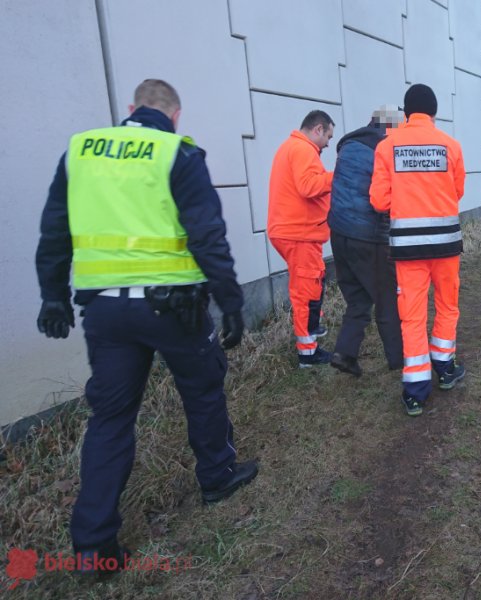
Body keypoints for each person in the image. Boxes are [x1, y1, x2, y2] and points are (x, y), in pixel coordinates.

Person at [35, 79, 258, 574]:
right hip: (173, 308)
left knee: (110, 419)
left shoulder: (81, 151)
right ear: (174, 116)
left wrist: (53, 295)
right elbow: (207, 233)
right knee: (202, 391)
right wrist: (230, 299)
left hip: (105, 314)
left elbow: (54, 230)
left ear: (130, 109)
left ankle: (93, 549)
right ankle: (217, 476)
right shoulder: (176, 153)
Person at [370, 84, 467, 416]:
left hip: (408, 248)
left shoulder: (387, 146)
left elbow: (379, 200)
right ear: (434, 112)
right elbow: (458, 191)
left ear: (406, 113)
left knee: (412, 315)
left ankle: (415, 390)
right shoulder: (451, 145)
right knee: (446, 306)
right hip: (446, 245)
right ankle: (445, 367)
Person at [327, 106, 406, 377]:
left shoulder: (348, 145)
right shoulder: (385, 149)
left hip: (338, 233)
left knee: (358, 298)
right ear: (391, 128)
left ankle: (345, 353)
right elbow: (387, 196)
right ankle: (399, 360)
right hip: (367, 236)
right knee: (386, 299)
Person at [268, 110, 336, 367]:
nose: (328, 142)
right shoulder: (302, 150)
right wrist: (337, 175)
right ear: (317, 129)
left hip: (297, 231)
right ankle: (308, 353)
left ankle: (310, 343)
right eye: (328, 135)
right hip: (298, 233)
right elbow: (309, 186)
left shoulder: (295, 148)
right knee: (306, 291)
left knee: (309, 286)